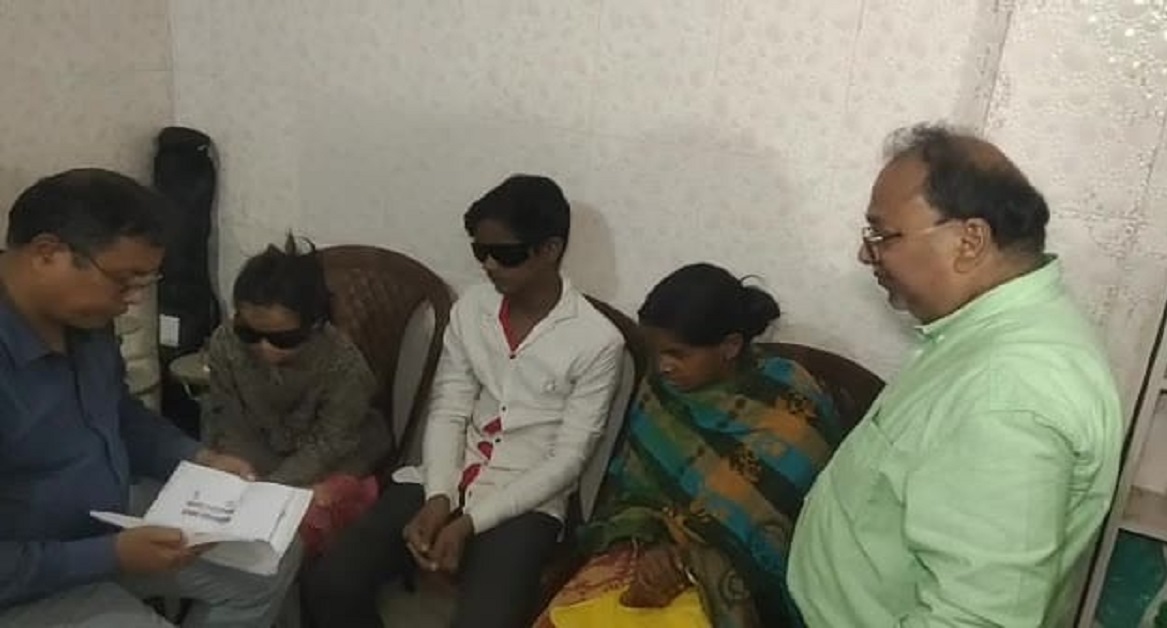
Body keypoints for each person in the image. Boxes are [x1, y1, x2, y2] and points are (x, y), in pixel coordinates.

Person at [787, 124, 1123, 626]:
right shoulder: (981, 332)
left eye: (882, 235)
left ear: (970, 240)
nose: (864, 254)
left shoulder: (1009, 392)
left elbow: (974, 618)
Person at [303, 174, 626, 628]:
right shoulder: (472, 309)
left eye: (505, 254)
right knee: (331, 582)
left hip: (525, 498)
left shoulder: (596, 341)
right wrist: (439, 495)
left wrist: (468, 522)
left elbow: (567, 461)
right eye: (480, 251)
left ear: (550, 249)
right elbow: (449, 409)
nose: (489, 265)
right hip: (446, 472)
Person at [0, 169, 300, 627]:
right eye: (124, 281)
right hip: (27, 578)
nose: (134, 300)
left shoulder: (84, 320)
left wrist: (196, 458)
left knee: (270, 558)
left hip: (107, 521)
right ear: (47, 254)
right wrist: (109, 556)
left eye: (145, 281)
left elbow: (118, 414)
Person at [537, 263, 846, 628]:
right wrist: (653, 546)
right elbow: (633, 490)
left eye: (677, 354)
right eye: (655, 352)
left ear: (730, 347)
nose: (662, 367)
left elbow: (785, 529)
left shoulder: (791, 403)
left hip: (743, 582)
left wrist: (688, 560)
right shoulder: (661, 389)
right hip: (645, 546)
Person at [201, 234, 390, 555]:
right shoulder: (226, 343)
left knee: (309, 517)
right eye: (249, 333)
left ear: (313, 325)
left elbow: (332, 442)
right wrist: (242, 475)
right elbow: (227, 417)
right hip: (258, 449)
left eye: (282, 340)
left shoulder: (343, 364)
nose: (264, 348)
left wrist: (272, 487)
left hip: (332, 456)